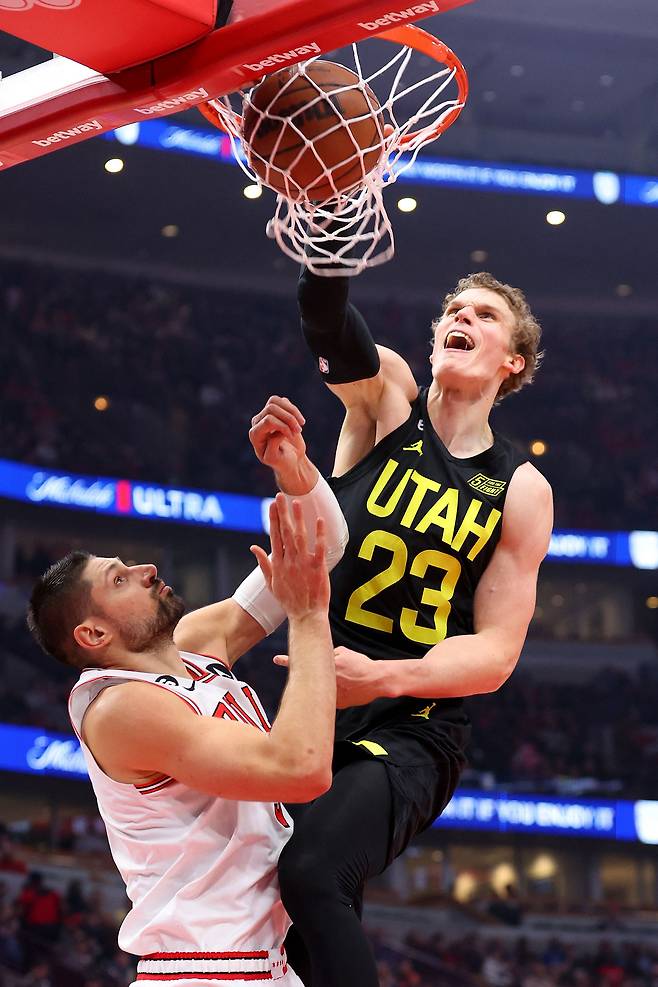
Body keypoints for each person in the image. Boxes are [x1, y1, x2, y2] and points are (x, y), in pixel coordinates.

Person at [248, 268, 553, 987]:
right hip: (319, 704)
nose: (462, 317)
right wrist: (327, 240)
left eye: (484, 315)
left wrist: (380, 677)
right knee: (283, 913)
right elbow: (327, 321)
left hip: (416, 722)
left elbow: (496, 652)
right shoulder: (389, 397)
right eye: (454, 308)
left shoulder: (519, 486)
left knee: (313, 870)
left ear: (513, 361)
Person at [26, 415, 348, 987]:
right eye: (119, 580)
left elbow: (318, 552)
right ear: (94, 635)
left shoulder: (193, 645)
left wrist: (293, 472)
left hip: (265, 962)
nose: (147, 570)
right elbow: (301, 769)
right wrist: (307, 616)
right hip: (204, 971)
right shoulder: (120, 709)